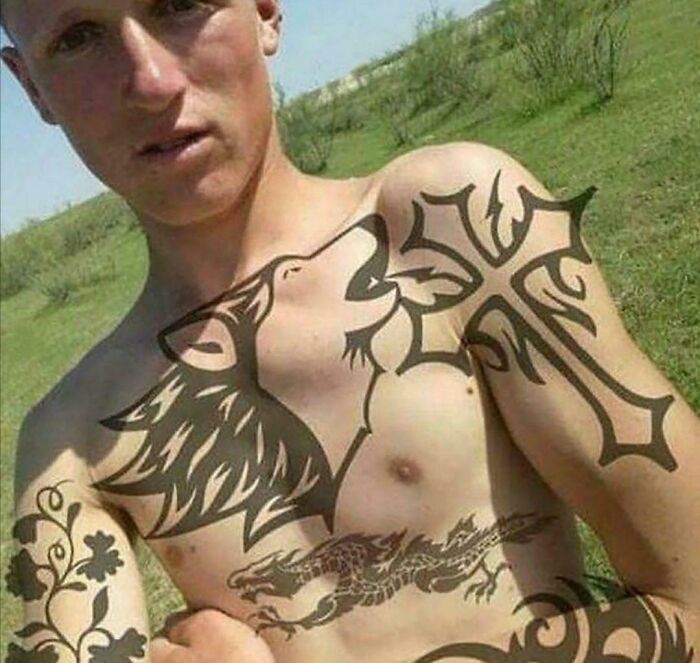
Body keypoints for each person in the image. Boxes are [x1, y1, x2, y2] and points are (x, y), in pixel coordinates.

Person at [2, 0, 698, 661]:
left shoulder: (451, 225)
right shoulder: (71, 445)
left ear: (265, 11)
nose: (150, 82)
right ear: (32, 87)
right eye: (77, 37)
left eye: (180, 5)